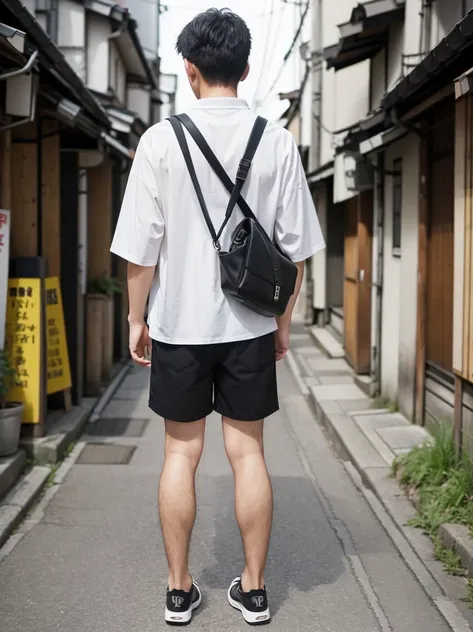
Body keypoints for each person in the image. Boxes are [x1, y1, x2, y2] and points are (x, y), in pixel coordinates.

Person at [110, 8, 325, 626]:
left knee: (180, 455)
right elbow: (294, 251)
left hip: (179, 324)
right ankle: (255, 590)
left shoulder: (159, 141)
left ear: (190, 68)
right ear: (248, 68)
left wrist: (135, 318)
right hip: (250, 327)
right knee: (249, 454)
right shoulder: (277, 140)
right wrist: (282, 322)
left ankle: (180, 590)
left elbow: (140, 251)